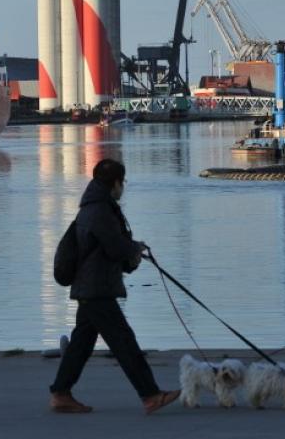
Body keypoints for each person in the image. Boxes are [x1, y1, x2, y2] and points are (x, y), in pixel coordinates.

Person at [49, 158, 180, 415]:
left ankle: (61, 393)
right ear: (116, 183)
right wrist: (135, 248)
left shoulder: (93, 207)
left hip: (91, 287)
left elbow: (107, 244)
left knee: (81, 344)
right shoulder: (100, 210)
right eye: (123, 182)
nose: (124, 187)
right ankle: (151, 395)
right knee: (124, 342)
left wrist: (132, 248)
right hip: (97, 287)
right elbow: (114, 247)